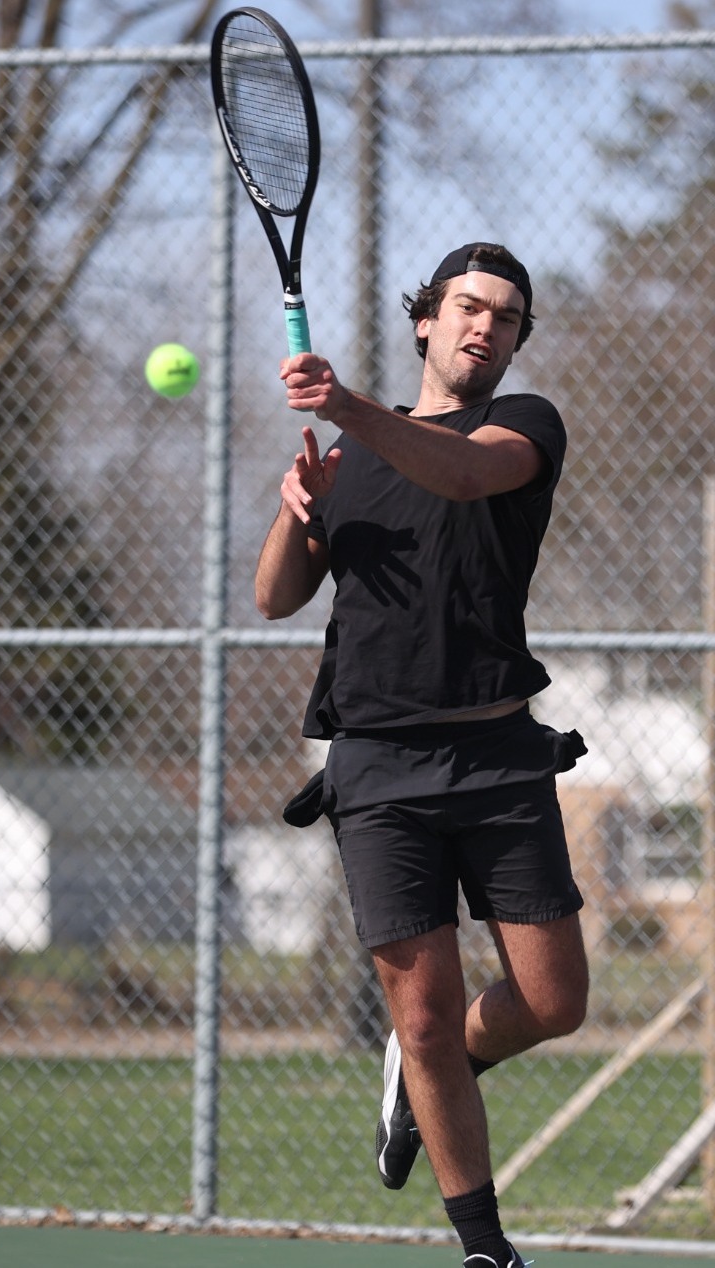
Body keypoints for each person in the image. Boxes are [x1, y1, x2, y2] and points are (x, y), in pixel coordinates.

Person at [255, 242, 588, 1268]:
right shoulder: (347, 461)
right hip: (377, 770)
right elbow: (274, 596)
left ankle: (417, 1065)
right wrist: (294, 508)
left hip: (495, 754)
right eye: (466, 306)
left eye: (505, 315)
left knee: (553, 1000)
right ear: (425, 321)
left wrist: (348, 405)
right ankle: (484, 1246)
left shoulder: (521, 426)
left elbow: (460, 473)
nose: (484, 324)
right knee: (428, 1010)